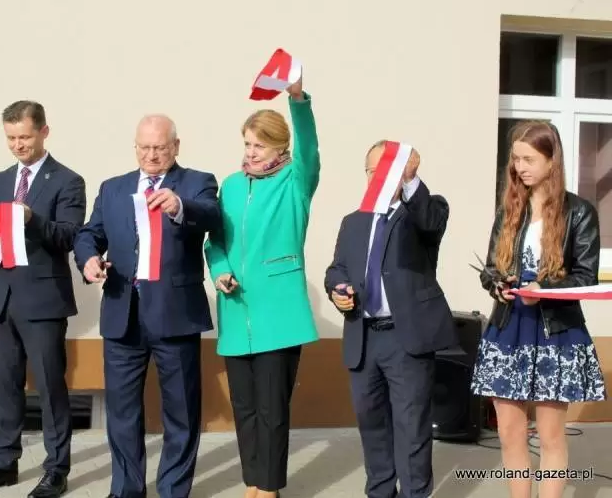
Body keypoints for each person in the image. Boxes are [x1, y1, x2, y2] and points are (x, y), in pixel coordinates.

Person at [74, 114, 220, 498]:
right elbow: (90, 235)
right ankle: (126, 489)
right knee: (122, 413)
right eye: (144, 147)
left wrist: (179, 206)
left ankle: (172, 490)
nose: (151, 155)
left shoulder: (197, 182)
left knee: (181, 413)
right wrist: (88, 260)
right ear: (135, 146)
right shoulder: (113, 188)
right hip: (122, 313)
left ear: (176, 146)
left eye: (159, 148)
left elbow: (211, 215)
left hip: (175, 314)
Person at [470, 120, 607, 498]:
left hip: (555, 330)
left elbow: (585, 276)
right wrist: (498, 285)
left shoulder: (580, 212)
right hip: (508, 327)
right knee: (509, 433)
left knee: (550, 435)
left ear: (552, 160)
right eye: (515, 159)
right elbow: (491, 269)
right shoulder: (509, 210)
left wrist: (543, 290)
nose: (520, 167)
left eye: (528, 159)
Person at [0, 101, 86, 498]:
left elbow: (70, 236)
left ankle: (56, 469)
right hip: (1, 297)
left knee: (50, 388)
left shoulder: (68, 180)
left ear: (44, 132)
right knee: (4, 386)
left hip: (43, 300)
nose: (18, 145)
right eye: (11, 138)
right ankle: (4, 463)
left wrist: (33, 219)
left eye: (25, 137)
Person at [203, 76, 319, 498]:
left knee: (272, 408)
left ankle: (269, 488)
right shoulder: (232, 185)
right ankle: (253, 481)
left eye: (260, 145)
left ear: (280, 148)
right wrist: (220, 270)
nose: (250, 152)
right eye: (247, 143)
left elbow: (309, 147)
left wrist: (298, 98)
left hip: (279, 313)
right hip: (236, 311)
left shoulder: (296, 180)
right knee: (245, 408)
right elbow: (215, 240)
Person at [324, 141, 456, 498]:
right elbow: (337, 268)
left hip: (406, 338)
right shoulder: (353, 222)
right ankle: (380, 492)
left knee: (412, 428)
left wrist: (410, 178)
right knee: (372, 425)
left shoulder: (422, 213)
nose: (378, 177)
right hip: (363, 337)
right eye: (373, 171)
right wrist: (337, 288)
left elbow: (431, 222)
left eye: (387, 170)